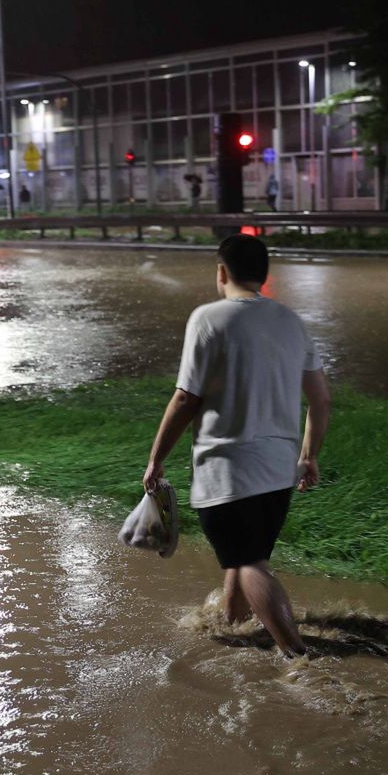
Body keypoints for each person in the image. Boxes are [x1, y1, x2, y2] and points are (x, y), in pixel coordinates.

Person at [142, 233, 331, 657]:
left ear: (222, 272)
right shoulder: (290, 321)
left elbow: (187, 398)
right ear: (264, 276)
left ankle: (298, 656)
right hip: (279, 474)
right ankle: (233, 628)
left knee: (247, 564)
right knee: (241, 559)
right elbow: (321, 399)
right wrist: (308, 455)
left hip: (226, 471)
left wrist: (156, 459)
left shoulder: (208, 319)